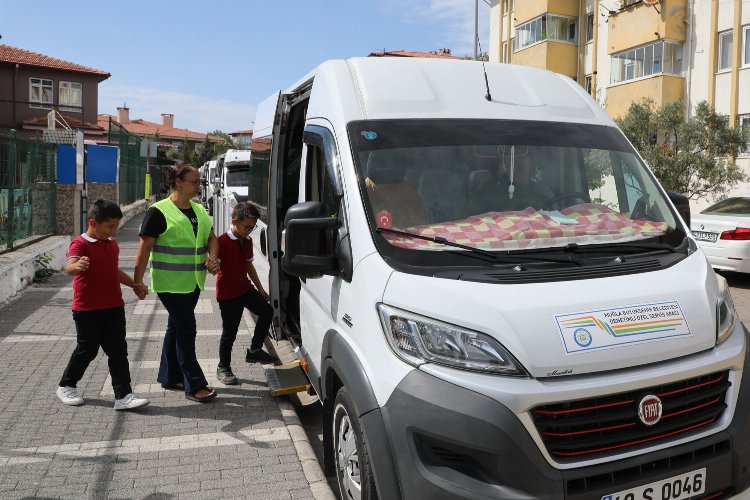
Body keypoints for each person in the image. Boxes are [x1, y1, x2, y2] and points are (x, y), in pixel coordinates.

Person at [134, 164, 221, 403]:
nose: (198, 186)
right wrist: (137, 282)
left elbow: (211, 238)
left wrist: (213, 258)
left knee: (176, 328)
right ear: (178, 182)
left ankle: (170, 376)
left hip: (192, 283)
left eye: (199, 182)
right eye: (194, 181)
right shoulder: (158, 211)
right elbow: (144, 250)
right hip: (170, 284)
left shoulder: (199, 210)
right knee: (186, 329)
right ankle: (194, 383)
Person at [56, 199, 150, 411]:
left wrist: (135, 284)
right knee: (86, 350)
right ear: (93, 222)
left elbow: (113, 272)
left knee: (118, 351)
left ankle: (124, 396)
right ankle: (66, 385)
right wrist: (76, 266)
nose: (114, 231)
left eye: (116, 226)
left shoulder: (111, 244)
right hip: (87, 310)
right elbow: (70, 266)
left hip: (114, 307)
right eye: (110, 226)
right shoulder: (80, 243)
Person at [215, 203, 274, 385]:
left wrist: (261, 289)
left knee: (267, 311)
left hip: (245, 288)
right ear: (234, 221)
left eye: (252, 227)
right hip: (228, 294)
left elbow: (249, 265)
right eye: (246, 226)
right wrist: (211, 264)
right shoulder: (222, 241)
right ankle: (223, 368)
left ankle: (255, 350)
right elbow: (213, 265)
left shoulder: (247, 241)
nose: (249, 230)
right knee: (230, 333)